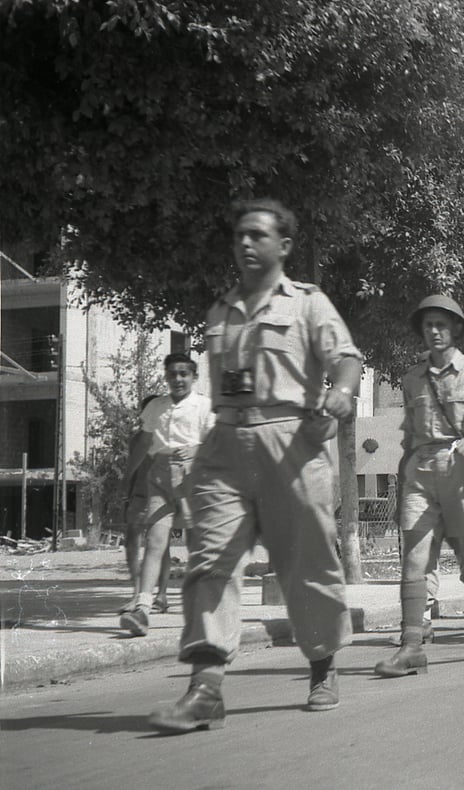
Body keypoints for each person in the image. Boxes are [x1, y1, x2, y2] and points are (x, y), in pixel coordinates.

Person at [148, 199, 361, 732]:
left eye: (257, 236)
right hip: (224, 445)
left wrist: (341, 393)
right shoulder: (219, 311)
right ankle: (205, 687)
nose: (245, 244)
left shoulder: (309, 304)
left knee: (307, 565)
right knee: (209, 560)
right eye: (239, 235)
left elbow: (346, 357)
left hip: (292, 445)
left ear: (283, 246)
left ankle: (322, 667)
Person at [375, 294, 464, 678]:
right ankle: (411, 646)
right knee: (414, 558)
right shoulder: (412, 378)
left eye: (442, 325)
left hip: (462, 471)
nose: (434, 331)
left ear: (455, 330)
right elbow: (409, 433)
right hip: (421, 471)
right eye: (428, 325)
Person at [119, 353, 214, 636]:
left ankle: (205, 607)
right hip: (160, 475)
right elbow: (144, 442)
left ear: (194, 378)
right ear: (166, 377)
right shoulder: (156, 408)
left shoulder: (205, 406)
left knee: (198, 542)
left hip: (194, 477)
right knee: (155, 540)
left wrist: (197, 450)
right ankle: (143, 608)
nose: (178, 379)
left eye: (184, 374)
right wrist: (127, 475)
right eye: (172, 374)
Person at [117, 394, 160, 614]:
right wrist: (126, 493)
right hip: (140, 497)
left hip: (161, 496)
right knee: (132, 543)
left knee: (159, 547)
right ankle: (137, 593)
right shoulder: (137, 438)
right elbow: (132, 469)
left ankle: (157, 596)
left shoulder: (166, 438)